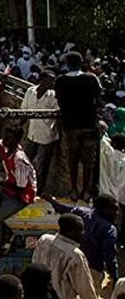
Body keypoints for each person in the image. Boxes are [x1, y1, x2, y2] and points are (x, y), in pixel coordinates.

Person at [41, 193, 119, 291]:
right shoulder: (109, 229)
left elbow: (63, 210)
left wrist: (52, 201)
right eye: (114, 209)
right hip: (92, 269)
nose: (117, 213)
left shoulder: (81, 212)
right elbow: (110, 256)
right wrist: (114, 277)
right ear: (104, 208)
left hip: (69, 263)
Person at [54, 51, 102, 200]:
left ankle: (74, 189)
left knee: (72, 158)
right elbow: (99, 100)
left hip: (71, 125)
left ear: (67, 64)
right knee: (88, 160)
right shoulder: (91, 79)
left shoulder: (61, 81)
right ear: (81, 63)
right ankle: (86, 191)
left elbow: (59, 102)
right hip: (89, 124)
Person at [0, 127, 36, 254]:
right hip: (10, 186)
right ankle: (6, 233)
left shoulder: (19, 159)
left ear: (16, 141)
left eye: (9, 138)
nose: (5, 139)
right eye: (4, 136)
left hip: (22, 194)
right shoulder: (4, 146)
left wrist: (2, 183)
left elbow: (21, 186)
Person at [31, 213, 99, 299]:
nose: (83, 233)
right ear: (70, 231)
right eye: (80, 230)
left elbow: (34, 262)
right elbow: (85, 289)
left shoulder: (44, 240)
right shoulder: (75, 255)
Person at [21, 69, 59, 191]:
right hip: (32, 132)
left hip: (46, 135)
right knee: (26, 160)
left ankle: (37, 189)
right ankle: (22, 185)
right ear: (42, 80)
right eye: (49, 80)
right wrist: (19, 125)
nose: (52, 83)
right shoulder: (30, 91)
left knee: (41, 165)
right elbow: (24, 110)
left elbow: (58, 114)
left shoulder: (54, 96)